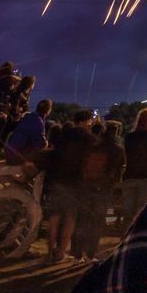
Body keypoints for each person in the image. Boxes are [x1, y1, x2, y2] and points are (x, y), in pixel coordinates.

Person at [44, 110, 98, 264]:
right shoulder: (89, 139)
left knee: (54, 216)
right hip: (75, 182)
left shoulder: (64, 135)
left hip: (58, 179)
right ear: (86, 121)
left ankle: (49, 253)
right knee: (70, 217)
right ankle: (60, 252)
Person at [75, 121, 125, 261]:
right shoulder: (118, 150)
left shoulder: (94, 147)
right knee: (97, 221)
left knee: (84, 219)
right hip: (105, 188)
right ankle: (91, 254)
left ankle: (78, 254)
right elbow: (119, 171)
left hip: (88, 185)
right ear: (117, 132)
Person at [122, 108, 147, 222]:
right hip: (146, 176)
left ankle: (127, 235)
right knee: (142, 211)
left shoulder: (129, 137)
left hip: (129, 175)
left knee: (128, 212)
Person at [7, 96, 52, 163]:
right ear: (48, 111)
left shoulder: (28, 116)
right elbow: (41, 144)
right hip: (15, 157)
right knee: (45, 145)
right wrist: (47, 142)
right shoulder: (38, 122)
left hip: (8, 154)